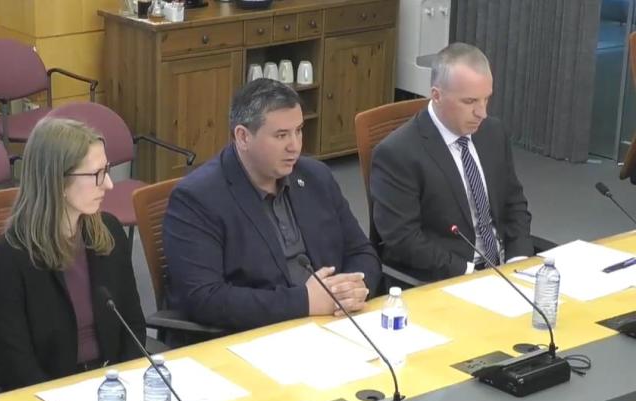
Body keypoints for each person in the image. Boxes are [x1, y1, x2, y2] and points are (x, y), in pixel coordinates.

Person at [162, 79, 381, 332]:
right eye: (281, 135)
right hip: (254, 337)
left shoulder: (316, 176)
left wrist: (353, 288)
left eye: (299, 130)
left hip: (334, 322)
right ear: (243, 137)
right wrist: (304, 302)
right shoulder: (196, 199)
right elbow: (205, 298)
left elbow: (362, 252)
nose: (295, 146)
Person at [0, 117, 145, 390]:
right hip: (49, 399)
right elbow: (19, 369)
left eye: (107, 170)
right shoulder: (7, 260)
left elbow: (134, 328)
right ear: (57, 182)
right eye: (96, 175)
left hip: (113, 389)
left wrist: (122, 389)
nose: (109, 185)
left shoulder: (109, 232)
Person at [370, 42, 533, 282]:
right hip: (449, 275)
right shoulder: (397, 153)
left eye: (486, 99)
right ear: (436, 95)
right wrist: (470, 273)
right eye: (469, 102)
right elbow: (404, 240)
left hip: (507, 270)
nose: (482, 113)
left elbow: (513, 202)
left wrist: (518, 261)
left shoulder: (492, 132)